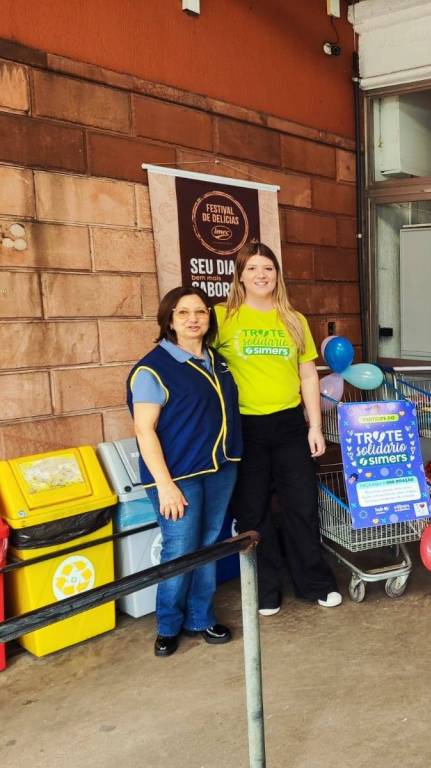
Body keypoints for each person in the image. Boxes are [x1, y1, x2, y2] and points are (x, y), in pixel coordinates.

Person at [215, 240, 341, 616]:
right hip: (244, 427)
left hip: (288, 425)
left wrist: (314, 426)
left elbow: (307, 374)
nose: (261, 275)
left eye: (268, 268)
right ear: (240, 275)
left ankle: (314, 583)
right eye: (252, 268)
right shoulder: (222, 317)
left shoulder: (293, 319)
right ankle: (265, 590)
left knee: (301, 506)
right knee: (252, 512)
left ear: (277, 275)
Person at [128, 286, 242, 657]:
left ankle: (200, 617)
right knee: (179, 549)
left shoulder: (218, 361)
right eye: (183, 312)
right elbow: (144, 430)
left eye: (201, 312)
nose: (193, 319)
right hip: (177, 477)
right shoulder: (153, 368)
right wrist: (164, 485)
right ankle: (167, 625)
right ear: (169, 320)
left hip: (219, 468)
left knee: (208, 544)